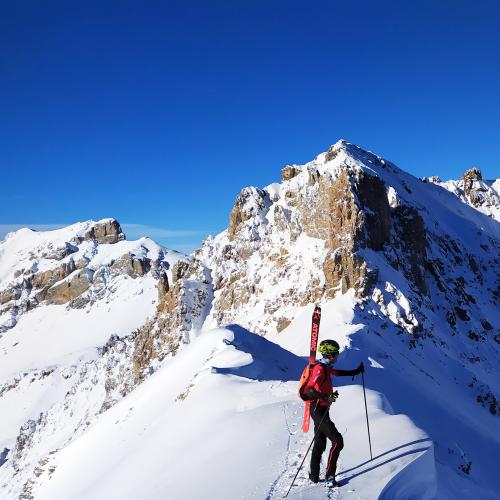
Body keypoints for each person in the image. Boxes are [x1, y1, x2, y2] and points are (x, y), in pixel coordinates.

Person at [304, 339, 364, 487]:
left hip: (322, 409)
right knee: (338, 441)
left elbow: (337, 373)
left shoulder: (326, 367)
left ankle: (314, 475)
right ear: (329, 354)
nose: (337, 356)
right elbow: (309, 389)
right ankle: (330, 477)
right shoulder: (319, 369)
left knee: (320, 442)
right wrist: (326, 397)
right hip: (318, 409)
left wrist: (355, 371)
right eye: (336, 353)